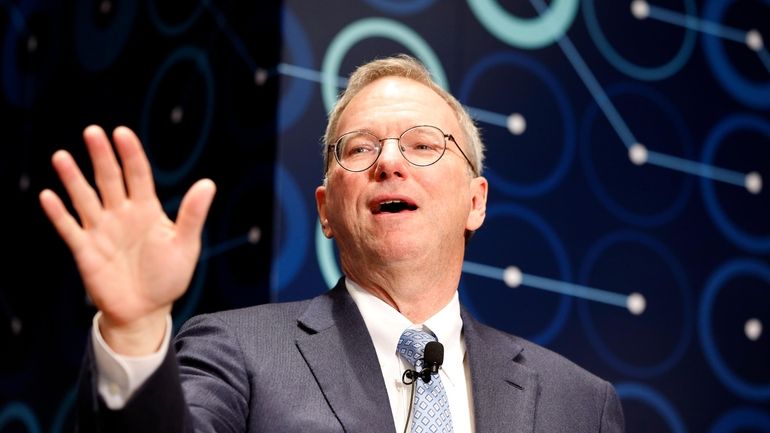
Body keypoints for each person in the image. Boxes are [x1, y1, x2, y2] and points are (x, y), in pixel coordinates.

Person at [40, 54, 625, 433]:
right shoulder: (237, 354)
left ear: (476, 201)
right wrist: (138, 331)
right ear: (325, 211)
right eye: (359, 147)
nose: (390, 162)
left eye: (424, 144)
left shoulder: (580, 403)